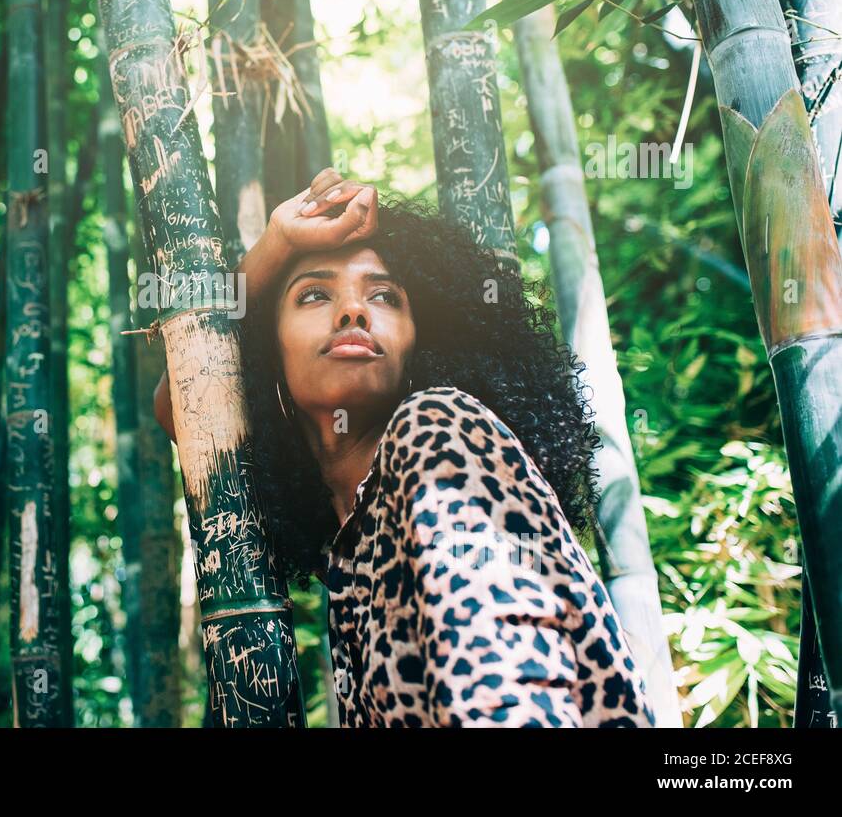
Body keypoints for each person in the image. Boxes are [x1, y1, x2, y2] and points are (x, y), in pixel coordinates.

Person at [154, 168, 656, 727]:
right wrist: (278, 242)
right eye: (314, 294)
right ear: (268, 359)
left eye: (385, 295)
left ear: (423, 344)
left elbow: (507, 700)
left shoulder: (440, 434)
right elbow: (187, 395)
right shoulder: (346, 544)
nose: (353, 312)